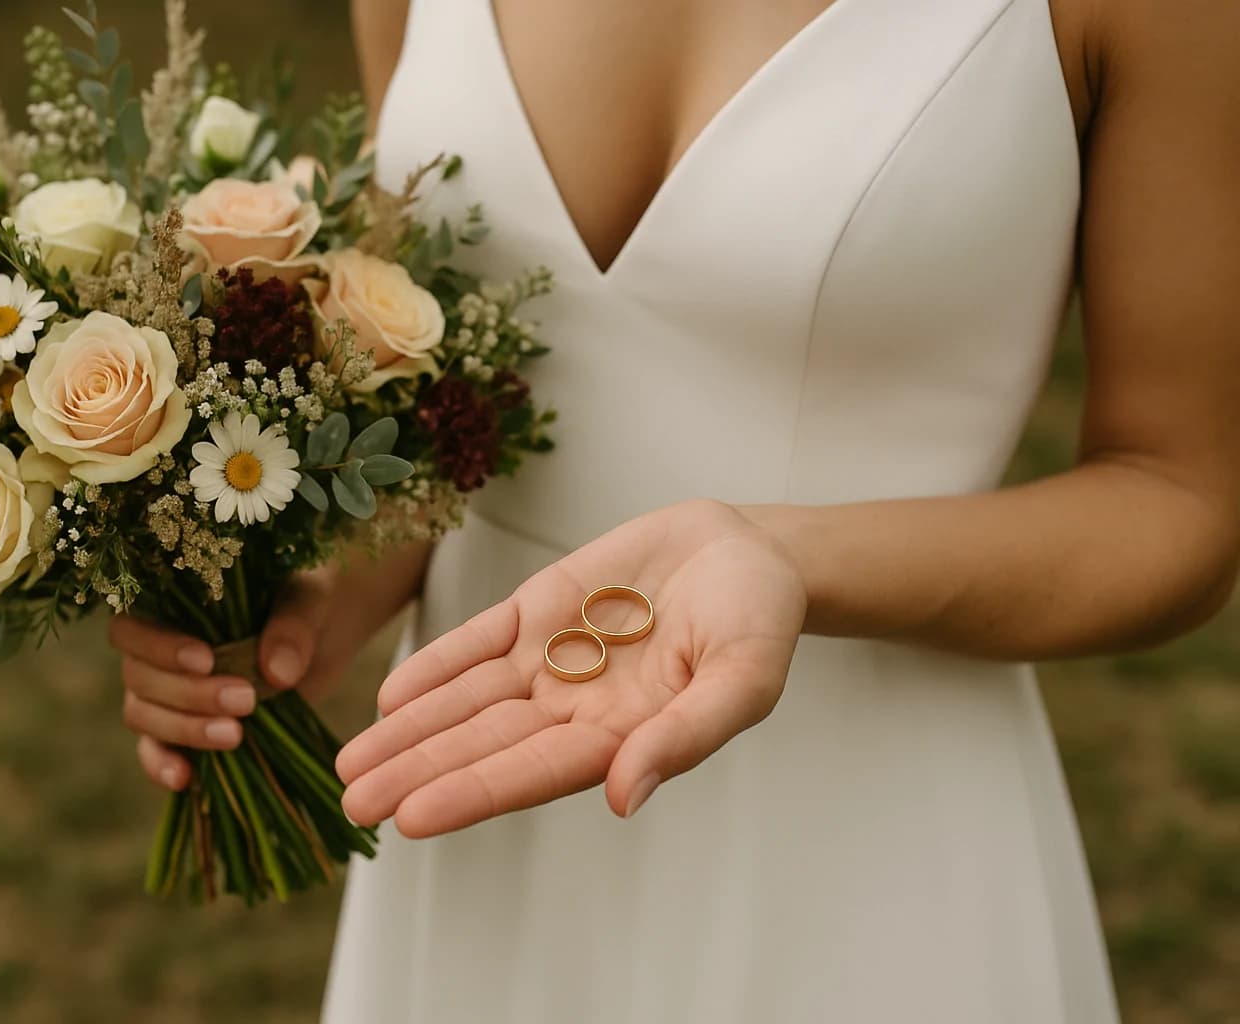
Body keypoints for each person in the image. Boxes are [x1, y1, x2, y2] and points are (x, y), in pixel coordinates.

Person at [108, 0, 1240, 1019]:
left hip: (872, 816)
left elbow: (1180, 497)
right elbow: (449, 378)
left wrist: (788, 555)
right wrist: (314, 596)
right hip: (484, 783)